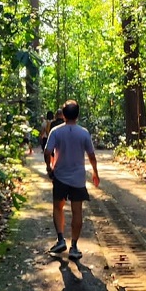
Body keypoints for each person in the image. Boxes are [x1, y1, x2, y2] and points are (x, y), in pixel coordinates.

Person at [43, 99, 99, 261]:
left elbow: (47, 152)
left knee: (58, 207)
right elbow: (92, 155)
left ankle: (61, 239)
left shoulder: (56, 131)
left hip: (60, 176)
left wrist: (49, 167)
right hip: (78, 178)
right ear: (78, 115)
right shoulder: (83, 133)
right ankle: (74, 246)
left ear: (63, 114)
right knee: (77, 211)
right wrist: (95, 173)